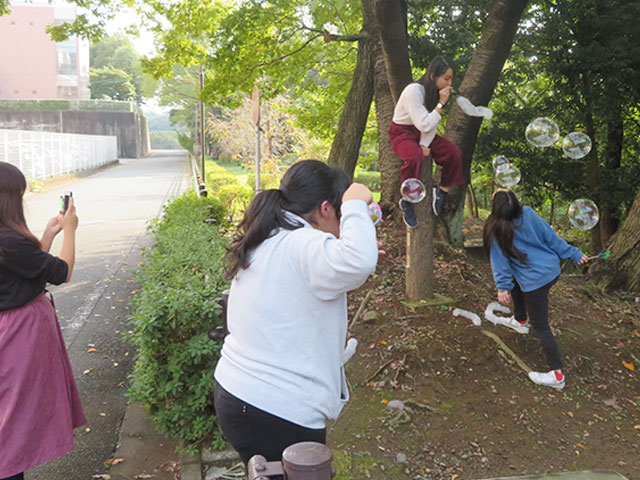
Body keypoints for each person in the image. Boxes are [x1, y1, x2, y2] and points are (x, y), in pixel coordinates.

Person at [213, 160, 378, 464]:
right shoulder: (304, 243)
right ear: (327, 209)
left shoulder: (271, 237)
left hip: (238, 394)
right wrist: (356, 202)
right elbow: (359, 263)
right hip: (276, 408)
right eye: (342, 213)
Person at [0, 162, 85, 480]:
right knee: (13, 426)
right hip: (17, 338)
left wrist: (49, 234)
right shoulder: (9, 241)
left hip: (9, 333)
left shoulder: (9, 244)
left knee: (10, 418)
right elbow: (61, 272)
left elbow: (25, 271)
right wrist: (71, 231)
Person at [482, 189, 589, 390]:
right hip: (551, 270)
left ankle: (557, 375)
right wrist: (574, 254)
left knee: (541, 327)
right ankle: (520, 321)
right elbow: (552, 238)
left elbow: (499, 262)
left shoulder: (495, 228)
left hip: (535, 282)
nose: (499, 186)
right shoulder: (528, 213)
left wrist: (502, 287)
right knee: (516, 276)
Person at [389, 55, 463, 227]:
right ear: (432, 76)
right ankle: (407, 200)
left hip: (423, 132)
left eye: (451, 79)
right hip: (402, 133)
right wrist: (440, 105)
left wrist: (424, 144)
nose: (449, 84)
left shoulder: (434, 94)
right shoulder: (413, 91)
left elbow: (430, 126)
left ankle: (442, 191)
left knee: (453, 153)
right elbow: (424, 123)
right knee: (414, 155)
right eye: (446, 79)